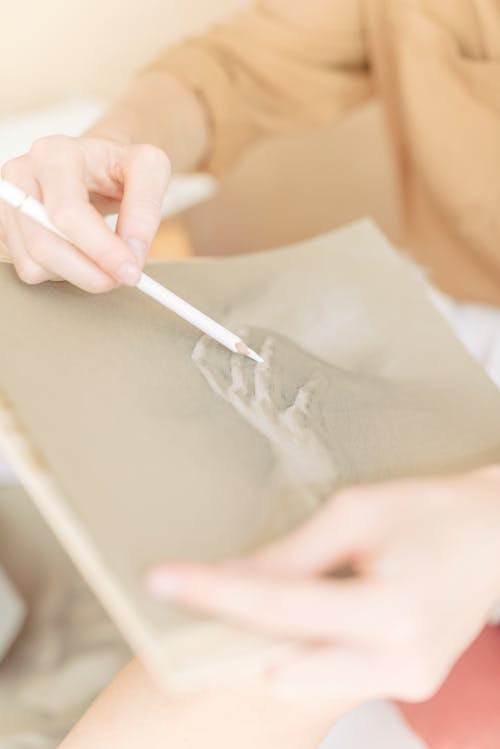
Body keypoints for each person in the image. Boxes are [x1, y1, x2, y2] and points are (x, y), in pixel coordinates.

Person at [1, 2, 500, 747]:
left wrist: (484, 529)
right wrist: (112, 149)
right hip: (467, 321)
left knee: (276, 627)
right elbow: (238, 70)